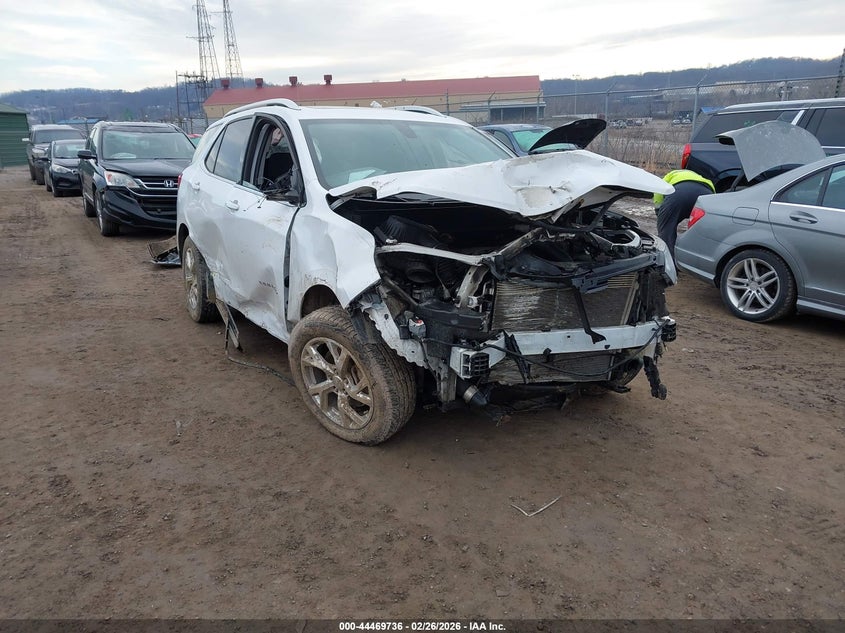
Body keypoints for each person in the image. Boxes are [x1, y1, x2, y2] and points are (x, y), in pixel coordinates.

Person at [653, 169, 715, 258]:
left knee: (666, 230)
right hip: (706, 195)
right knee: (704, 230)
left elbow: (658, 192)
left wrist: (659, 212)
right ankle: (701, 259)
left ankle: (668, 261)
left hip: (679, 194)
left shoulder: (669, 175)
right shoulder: (701, 177)